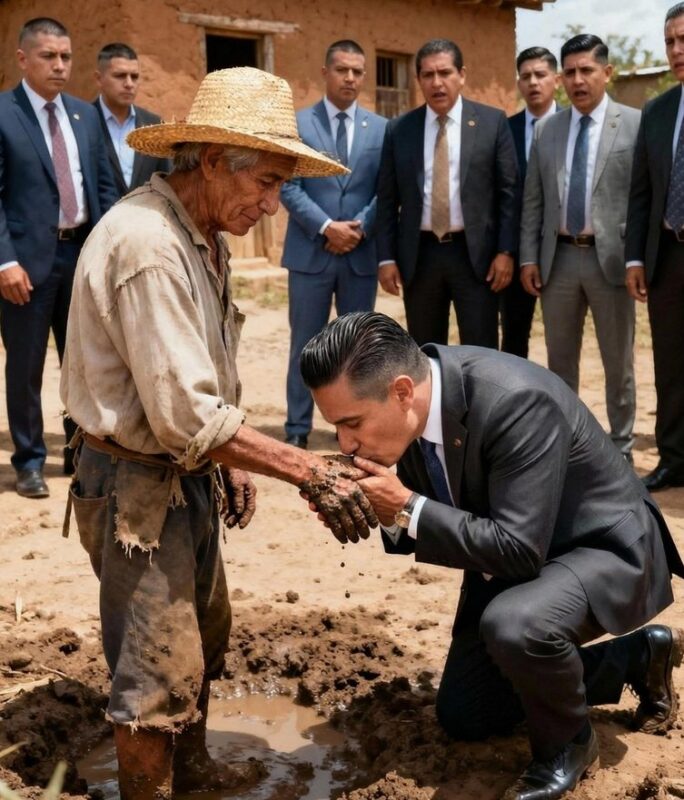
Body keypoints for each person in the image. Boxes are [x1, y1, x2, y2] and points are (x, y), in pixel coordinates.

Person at [61, 67, 377, 800]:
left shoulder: (202, 231)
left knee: (201, 637)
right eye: (265, 184)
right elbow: (187, 419)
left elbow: (205, 373)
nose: (273, 206)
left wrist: (230, 460)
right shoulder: (148, 246)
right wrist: (310, 469)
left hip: (185, 470)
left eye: (278, 189)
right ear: (210, 161)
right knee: (151, 671)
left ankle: (194, 773)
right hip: (135, 485)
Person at [301, 311, 684, 800]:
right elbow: (433, 516)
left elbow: (519, 550)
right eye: (336, 429)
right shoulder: (413, 413)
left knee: (515, 626)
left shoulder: (515, 400)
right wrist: (369, 505)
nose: (346, 443)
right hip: (522, 554)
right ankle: (636, 657)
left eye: (351, 424)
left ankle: (568, 746)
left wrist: (405, 506)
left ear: (401, 392)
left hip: (600, 548)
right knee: (466, 713)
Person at [0, 17, 118, 497]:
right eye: (49, 56)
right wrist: (5, 261)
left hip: (82, 258)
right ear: (23, 59)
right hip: (26, 267)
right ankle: (29, 461)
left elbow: (103, 185)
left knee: (85, 364)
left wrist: (111, 250)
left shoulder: (84, 115)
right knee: (26, 367)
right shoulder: (4, 114)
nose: (60, 65)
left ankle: (80, 456)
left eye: (66, 56)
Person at [520, 34, 640, 462]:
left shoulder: (633, 124)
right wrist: (529, 257)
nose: (577, 79)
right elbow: (533, 201)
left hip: (613, 261)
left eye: (586, 70)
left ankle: (622, 447)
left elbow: (641, 198)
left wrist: (637, 257)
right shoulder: (547, 130)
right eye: (569, 72)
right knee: (560, 362)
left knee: (618, 363)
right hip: (559, 261)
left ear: (606, 73)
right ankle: (568, 447)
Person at [375, 38, 518, 348]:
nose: (437, 83)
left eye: (445, 72)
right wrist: (385, 258)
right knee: (425, 352)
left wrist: (505, 252)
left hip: (475, 257)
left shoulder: (491, 123)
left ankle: (476, 399)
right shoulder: (399, 129)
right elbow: (387, 200)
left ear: (461, 75)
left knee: (481, 350)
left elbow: (509, 194)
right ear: (418, 80)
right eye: (428, 75)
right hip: (420, 256)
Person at [280, 40, 386, 449]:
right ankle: (296, 430)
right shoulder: (299, 124)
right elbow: (288, 186)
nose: (350, 78)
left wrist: (358, 227)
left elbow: (385, 189)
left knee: (357, 350)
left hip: (360, 254)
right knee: (305, 346)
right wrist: (327, 227)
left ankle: (354, 428)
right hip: (311, 253)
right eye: (342, 69)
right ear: (324, 72)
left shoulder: (380, 128)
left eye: (358, 71)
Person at [626, 1, 684, 491]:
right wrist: (635, 257)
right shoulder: (658, 111)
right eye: (670, 41)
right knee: (669, 363)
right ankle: (673, 458)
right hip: (668, 256)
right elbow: (641, 190)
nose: (677, 50)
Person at [502, 46, 559, 358]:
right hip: (515, 252)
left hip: (560, 249)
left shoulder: (571, 126)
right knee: (513, 334)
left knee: (562, 336)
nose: (533, 82)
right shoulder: (503, 130)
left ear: (556, 79)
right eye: (526, 77)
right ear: (519, 84)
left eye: (540, 75)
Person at [94, 42, 171, 198]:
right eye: (120, 75)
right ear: (98, 79)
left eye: (134, 76)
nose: (129, 84)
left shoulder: (153, 125)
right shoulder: (83, 122)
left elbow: (166, 181)